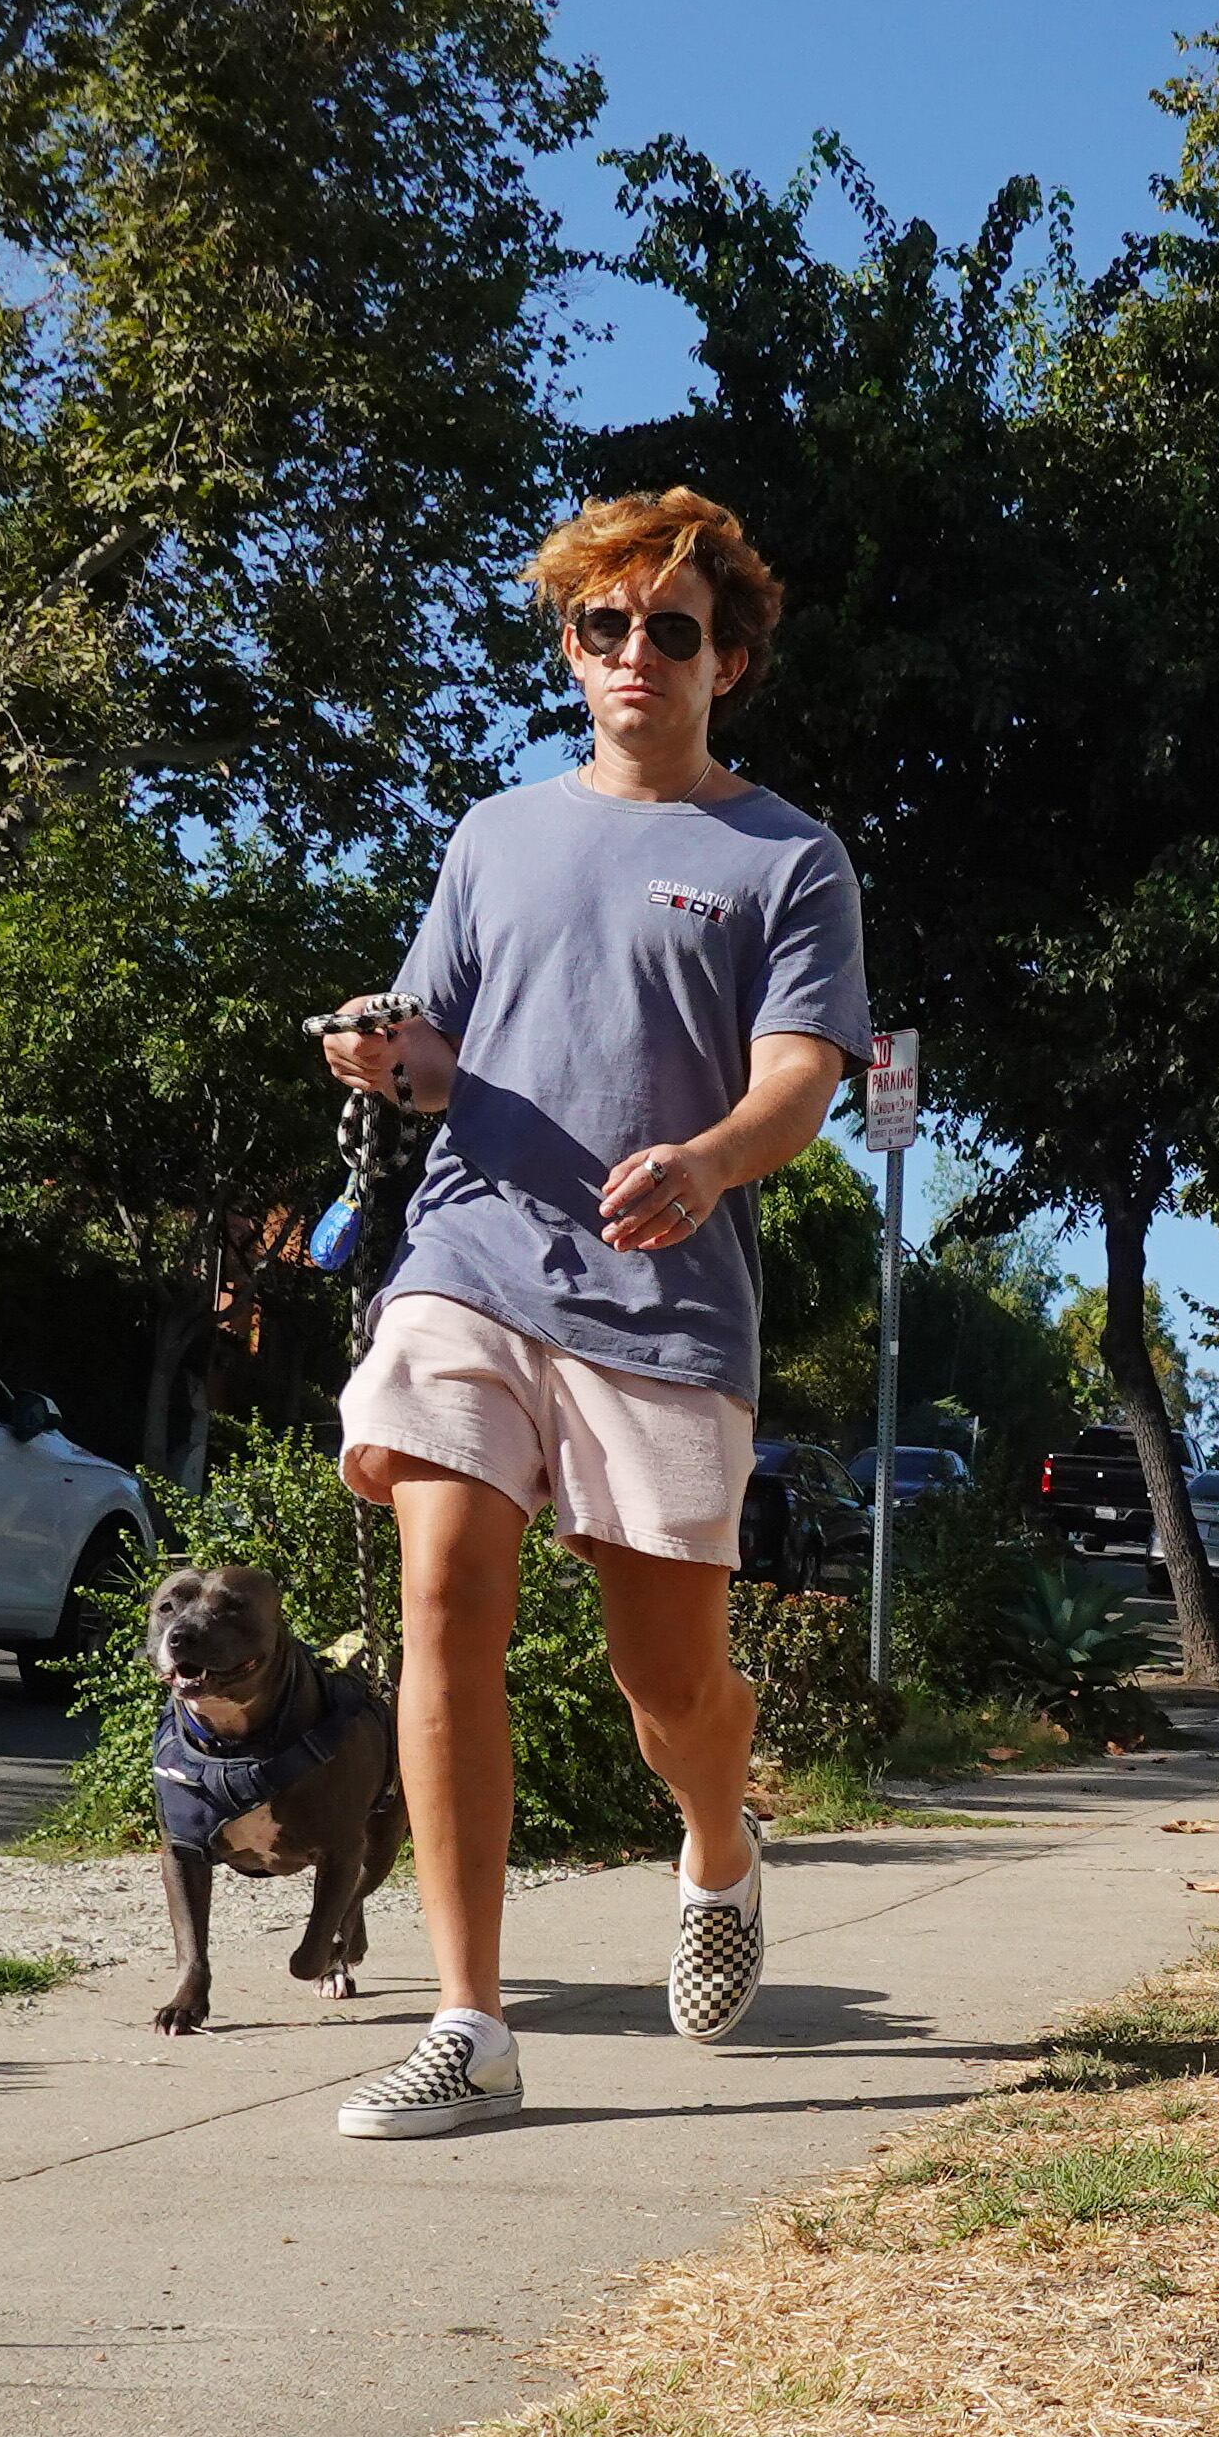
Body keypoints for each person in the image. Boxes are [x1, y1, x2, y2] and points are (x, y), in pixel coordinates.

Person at [311, 488, 861, 2137]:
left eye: (672, 630)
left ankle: (718, 1840)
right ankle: (469, 2023)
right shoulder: (495, 834)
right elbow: (441, 1051)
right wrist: (381, 1054)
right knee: (446, 1591)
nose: (636, 654)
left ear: (730, 662)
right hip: (469, 1260)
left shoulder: (785, 858)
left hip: (664, 1304)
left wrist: (705, 1162)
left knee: (665, 1685)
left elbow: (800, 1084)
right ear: (568, 648)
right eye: (602, 626)